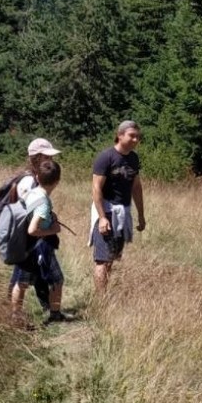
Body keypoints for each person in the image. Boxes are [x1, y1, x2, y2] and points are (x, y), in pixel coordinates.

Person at [8, 158, 69, 325]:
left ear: (37, 177)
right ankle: (55, 314)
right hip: (39, 247)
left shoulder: (32, 193)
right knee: (57, 280)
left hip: (25, 246)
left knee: (21, 282)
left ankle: (16, 316)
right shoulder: (43, 201)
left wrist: (50, 217)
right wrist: (53, 229)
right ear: (57, 182)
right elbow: (33, 229)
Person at [89, 120, 145, 294]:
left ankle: (103, 294)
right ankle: (100, 301)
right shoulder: (106, 157)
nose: (135, 140)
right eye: (131, 136)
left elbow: (136, 187)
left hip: (123, 212)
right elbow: (96, 188)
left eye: (138, 136)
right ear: (120, 135)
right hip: (106, 210)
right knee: (102, 259)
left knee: (111, 257)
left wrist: (141, 215)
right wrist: (102, 217)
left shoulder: (133, 158)